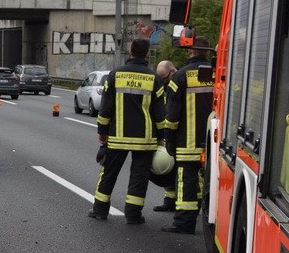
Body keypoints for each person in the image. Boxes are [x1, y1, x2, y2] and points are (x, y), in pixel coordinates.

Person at [89, 38, 166, 225]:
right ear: (147, 53)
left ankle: (100, 210)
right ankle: (133, 214)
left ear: (130, 51)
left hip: (117, 137)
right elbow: (160, 114)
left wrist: (102, 131)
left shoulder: (115, 75)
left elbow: (105, 108)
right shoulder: (153, 78)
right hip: (145, 139)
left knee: (109, 172)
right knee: (139, 177)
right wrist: (162, 138)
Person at [162, 38, 214, 234]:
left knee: (187, 182)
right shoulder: (219, 73)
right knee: (209, 181)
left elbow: (172, 113)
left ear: (190, 52)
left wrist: (170, 138)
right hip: (215, 142)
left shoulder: (181, 76)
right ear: (206, 53)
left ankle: (184, 223)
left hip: (188, 141)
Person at [151, 59, 178, 213]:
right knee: (167, 168)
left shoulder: (179, 80)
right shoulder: (165, 86)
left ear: (172, 71)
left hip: (178, 132)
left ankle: (187, 203)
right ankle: (169, 201)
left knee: (180, 170)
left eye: (164, 78)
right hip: (167, 131)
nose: (162, 82)